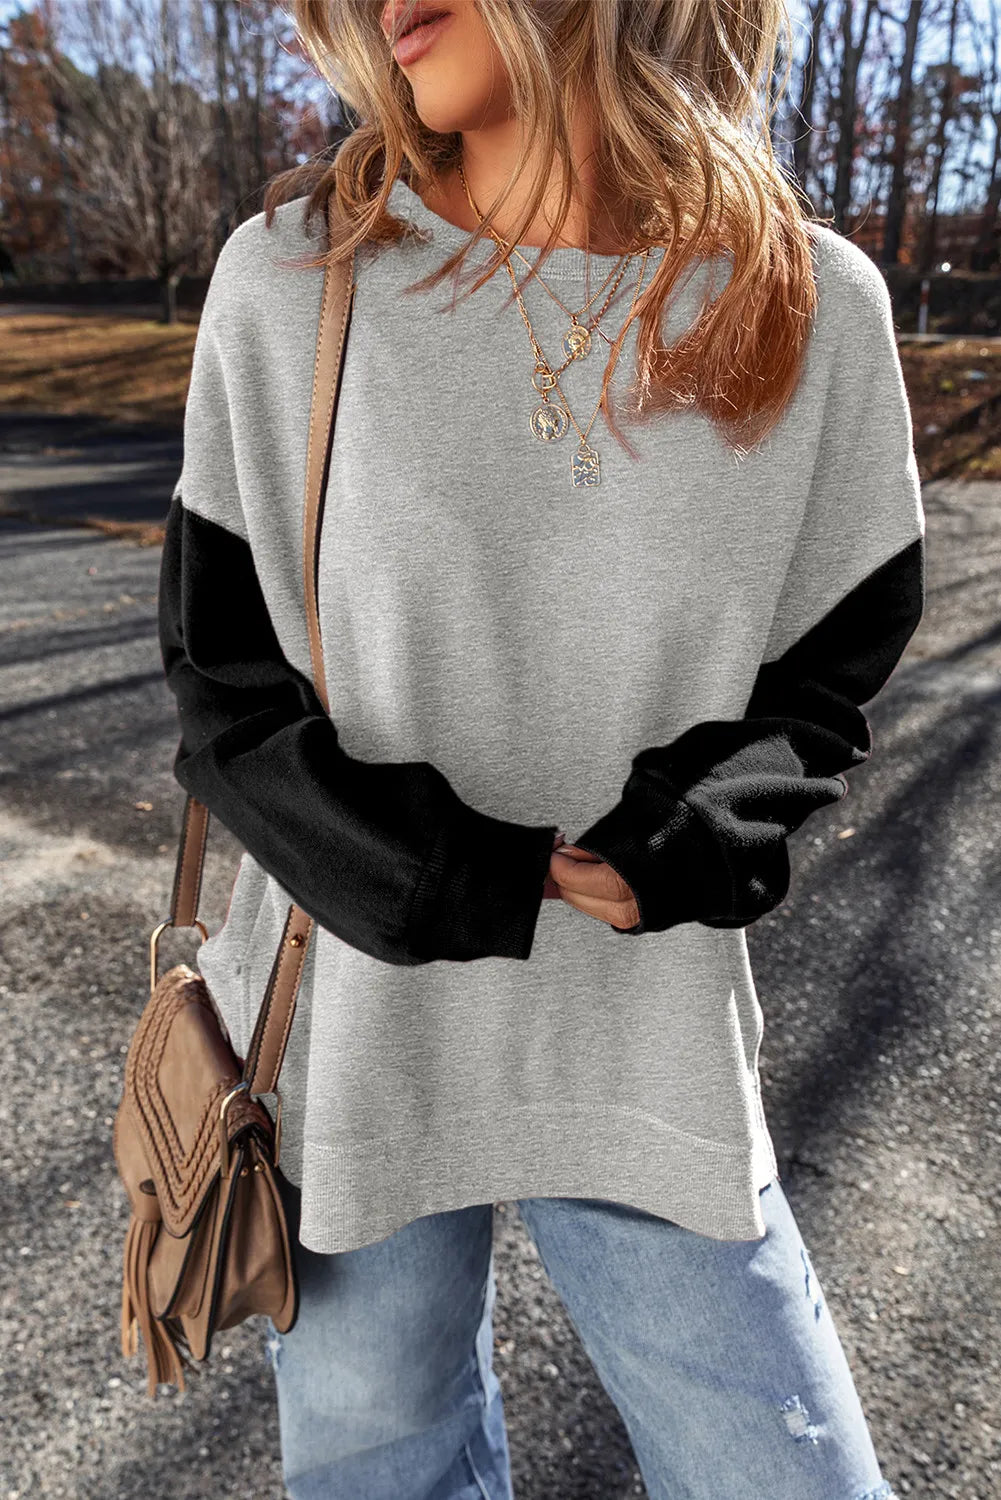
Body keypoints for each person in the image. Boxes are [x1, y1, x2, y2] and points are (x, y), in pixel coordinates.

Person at [157, 1, 923, 1495]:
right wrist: (434, 873)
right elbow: (223, 684)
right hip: (352, 1043)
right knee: (384, 1471)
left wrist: (694, 835)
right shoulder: (296, 273)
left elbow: (828, 672)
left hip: (646, 1039)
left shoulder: (810, 304)